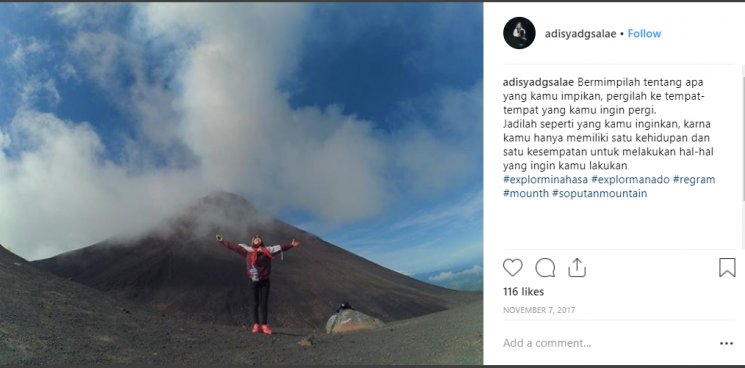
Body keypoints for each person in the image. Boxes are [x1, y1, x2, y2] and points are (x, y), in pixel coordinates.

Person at [216, 233, 300, 335]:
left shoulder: (268, 251)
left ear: (261, 241)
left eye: (259, 238)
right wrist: (222, 241)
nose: (257, 239)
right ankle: (256, 325)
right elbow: (234, 247)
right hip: (253, 280)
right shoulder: (247, 251)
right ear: (252, 241)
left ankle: (264, 326)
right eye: (255, 238)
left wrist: (291, 245)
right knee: (255, 303)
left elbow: (280, 247)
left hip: (265, 280)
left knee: (264, 304)